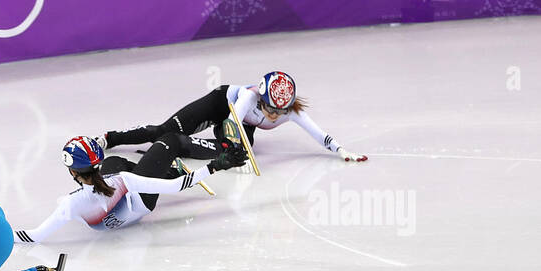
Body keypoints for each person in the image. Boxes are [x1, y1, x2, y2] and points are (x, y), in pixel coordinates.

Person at [14, 134, 246, 244]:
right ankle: (218, 148)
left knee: (114, 162)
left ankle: (164, 168)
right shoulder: (123, 181)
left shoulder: (69, 204)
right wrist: (216, 165)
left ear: (73, 171)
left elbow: (34, 236)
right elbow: (176, 187)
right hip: (143, 202)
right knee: (170, 141)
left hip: (111, 224)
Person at [105, 71, 367, 164]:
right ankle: (110, 139)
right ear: (261, 99)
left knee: (235, 151)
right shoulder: (250, 97)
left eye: (280, 111)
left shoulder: (290, 111)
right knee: (160, 131)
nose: (274, 115)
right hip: (221, 105)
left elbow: (319, 134)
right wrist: (232, 138)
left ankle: (177, 145)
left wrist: (341, 150)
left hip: (240, 123)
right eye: (270, 108)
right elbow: (234, 119)